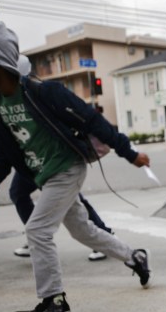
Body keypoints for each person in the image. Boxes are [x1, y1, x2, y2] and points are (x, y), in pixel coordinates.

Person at [0, 19, 152, 312]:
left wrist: (130, 153)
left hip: (67, 168)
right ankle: (135, 257)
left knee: (37, 230)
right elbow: (5, 148)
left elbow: (93, 122)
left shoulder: (43, 92)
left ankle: (54, 300)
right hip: (45, 175)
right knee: (83, 231)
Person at [10, 55, 111, 261]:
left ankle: (104, 233)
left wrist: (126, 149)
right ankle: (35, 237)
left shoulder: (37, 93)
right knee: (18, 192)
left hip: (52, 159)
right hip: (29, 160)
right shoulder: (5, 98)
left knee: (73, 202)